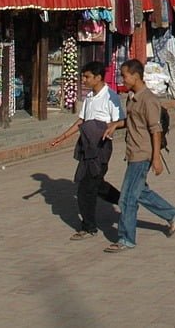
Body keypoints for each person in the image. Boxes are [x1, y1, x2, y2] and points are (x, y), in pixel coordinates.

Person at [104, 59, 175, 253]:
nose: (122, 79)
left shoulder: (149, 100)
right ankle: (172, 213)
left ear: (136, 76)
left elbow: (155, 130)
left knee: (127, 199)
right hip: (132, 152)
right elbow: (133, 121)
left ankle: (126, 238)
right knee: (139, 192)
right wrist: (116, 124)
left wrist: (156, 158)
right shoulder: (132, 98)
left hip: (143, 154)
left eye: (125, 75)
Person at [49, 61, 123, 241]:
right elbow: (82, 120)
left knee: (85, 189)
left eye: (87, 76)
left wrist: (107, 128)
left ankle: (89, 227)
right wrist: (63, 136)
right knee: (96, 185)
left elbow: (121, 120)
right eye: (83, 76)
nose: (84, 80)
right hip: (86, 146)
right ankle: (125, 201)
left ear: (98, 77)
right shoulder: (89, 97)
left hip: (101, 147)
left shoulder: (111, 97)